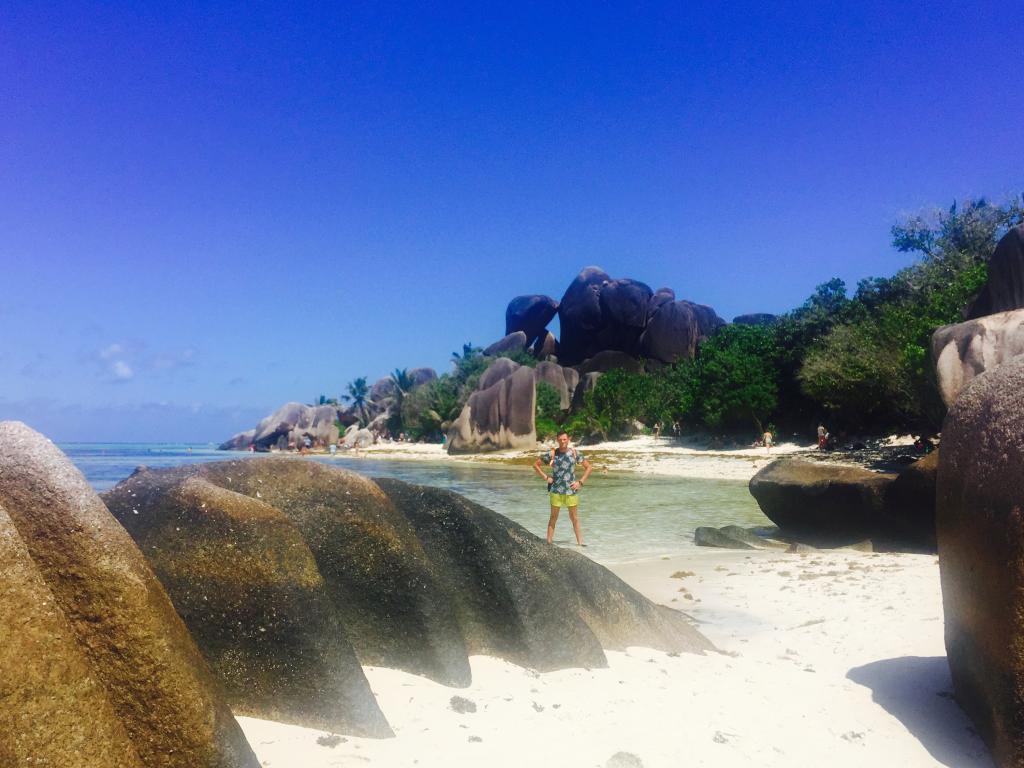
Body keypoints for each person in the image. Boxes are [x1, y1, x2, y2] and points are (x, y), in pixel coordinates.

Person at [532, 430, 592, 546]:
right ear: (557, 440)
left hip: (571, 491)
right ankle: (548, 544)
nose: (563, 441)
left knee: (574, 518)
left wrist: (580, 482)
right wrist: (546, 477)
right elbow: (535, 465)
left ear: (568, 439)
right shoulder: (552, 454)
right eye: (560, 440)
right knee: (553, 518)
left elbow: (589, 468)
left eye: (564, 439)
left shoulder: (575, 453)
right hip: (556, 491)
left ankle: (580, 545)